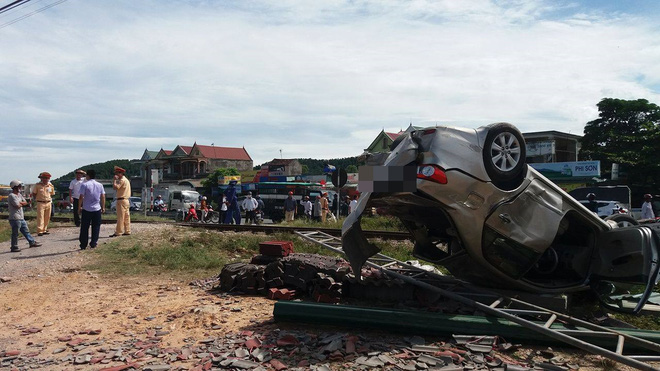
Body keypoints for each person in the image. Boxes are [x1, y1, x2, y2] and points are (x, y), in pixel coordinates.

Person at [8, 180, 42, 252]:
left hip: (21, 217)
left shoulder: (19, 195)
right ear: (15, 187)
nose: (20, 188)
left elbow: (26, 202)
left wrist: (21, 203)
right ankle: (14, 246)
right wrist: (21, 203)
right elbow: (17, 205)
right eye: (19, 186)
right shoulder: (11, 196)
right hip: (15, 218)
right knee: (15, 233)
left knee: (26, 231)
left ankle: (31, 242)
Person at [78, 169, 105, 250]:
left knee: (84, 227)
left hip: (87, 208)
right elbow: (103, 196)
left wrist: (79, 207)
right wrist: (103, 206)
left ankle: (83, 244)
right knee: (96, 226)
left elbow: (81, 197)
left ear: (88, 175)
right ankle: (93, 243)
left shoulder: (84, 185)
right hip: (97, 208)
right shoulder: (100, 185)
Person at [110, 166, 131, 237]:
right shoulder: (126, 180)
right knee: (126, 217)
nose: (116, 175)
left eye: (117, 173)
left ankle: (118, 232)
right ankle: (127, 230)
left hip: (121, 200)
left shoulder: (122, 180)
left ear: (120, 173)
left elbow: (116, 187)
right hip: (126, 200)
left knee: (120, 217)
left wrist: (115, 180)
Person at [32, 172, 55, 236]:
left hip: (48, 202)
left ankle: (44, 229)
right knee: (40, 217)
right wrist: (35, 200)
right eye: (44, 178)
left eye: (47, 178)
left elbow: (52, 194)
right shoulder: (37, 185)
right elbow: (34, 193)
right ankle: (40, 230)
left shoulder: (50, 186)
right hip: (40, 202)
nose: (45, 179)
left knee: (47, 216)